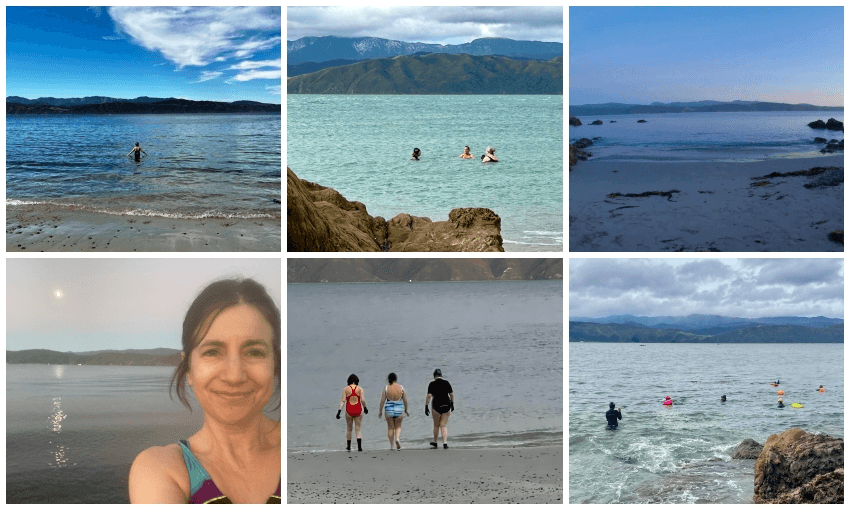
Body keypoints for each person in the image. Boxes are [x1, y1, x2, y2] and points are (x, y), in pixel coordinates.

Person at [128, 278, 281, 503]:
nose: (234, 376)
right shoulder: (164, 469)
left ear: (275, 364)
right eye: (212, 352)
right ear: (189, 369)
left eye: (255, 352)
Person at [337, 374, 368, 451]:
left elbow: (343, 401)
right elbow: (363, 400)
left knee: (349, 429)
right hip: (358, 410)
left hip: (349, 410)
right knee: (358, 429)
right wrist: (365, 408)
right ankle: (359, 447)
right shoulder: (360, 389)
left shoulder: (346, 389)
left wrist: (339, 411)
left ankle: (348, 446)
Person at [378, 372, 408, 450]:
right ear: (396, 379)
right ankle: (397, 439)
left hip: (389, 409)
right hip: (399, 409)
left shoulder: (386, 388)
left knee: (390, 428)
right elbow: (405, 400)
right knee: (398, 427)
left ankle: (392, 446)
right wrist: (406, 410)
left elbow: (382, 401)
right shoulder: (401, 387)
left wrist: (380, 411)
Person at [425, 368, 454, 449]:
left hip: (436, 406)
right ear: (441, 375)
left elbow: (429, 396)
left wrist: (426, 406)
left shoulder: (432, 384)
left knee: (436, 425)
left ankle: (435, 443)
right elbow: (451, 394)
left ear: (434, 376)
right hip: (446, 406)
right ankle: (445, 443)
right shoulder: (447, 383)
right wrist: (452, 403)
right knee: (444, 425)